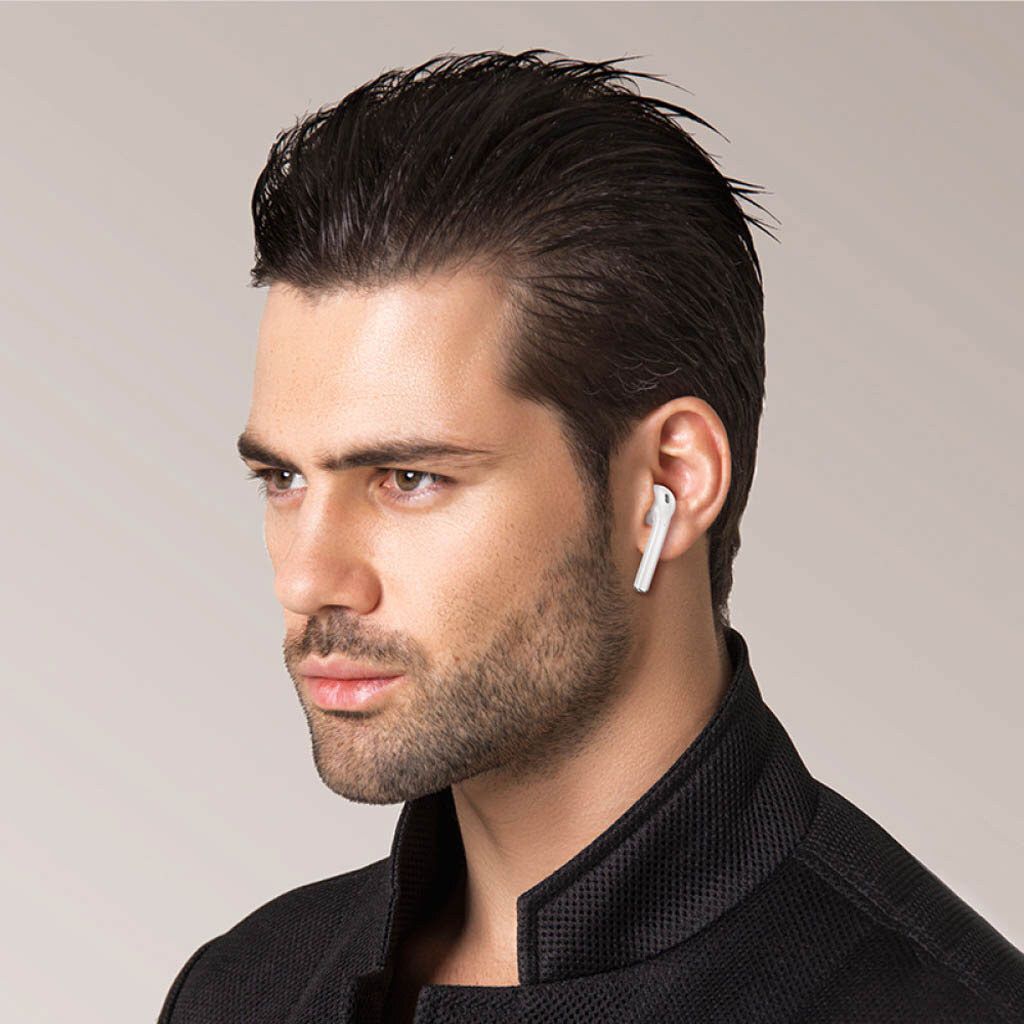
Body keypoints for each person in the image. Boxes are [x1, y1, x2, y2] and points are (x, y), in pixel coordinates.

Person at [158, 49, 1024, 1024]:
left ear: (669, 483)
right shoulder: (244, 988)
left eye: (408, 479)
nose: (309, 577)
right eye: (282, 478)